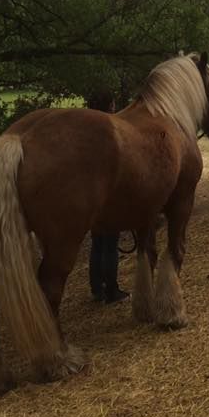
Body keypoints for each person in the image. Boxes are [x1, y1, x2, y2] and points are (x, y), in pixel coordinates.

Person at [86, 89, 129, 305]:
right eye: (112, 103)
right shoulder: (111, 130)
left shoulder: (88, 131)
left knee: (97, 243)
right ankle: (111, 290)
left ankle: (96, 288)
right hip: (110, 196)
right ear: (109, 105)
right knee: (110, 243)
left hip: (92, 197)